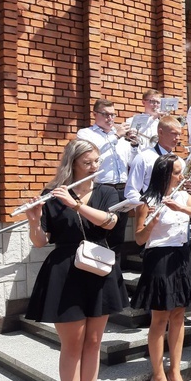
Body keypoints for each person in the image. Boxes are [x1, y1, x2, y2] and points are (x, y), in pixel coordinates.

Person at [25, 139, 128, 381]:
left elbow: (110, 222)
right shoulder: (53, 195)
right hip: (65, 271)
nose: (95, 167)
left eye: (96, 161)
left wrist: (76, 204)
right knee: (73, 344)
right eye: (88, 163)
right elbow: (41, 242)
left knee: (94, 342)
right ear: (72, 164)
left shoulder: (108, 191)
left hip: (99, 267)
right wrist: (34, 222)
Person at [130, 154, 191, 381]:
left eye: (181, 171)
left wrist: (182, 207)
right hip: (159, 259)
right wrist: (152, 222)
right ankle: (158, 374)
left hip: (181, 256)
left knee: (179, 315)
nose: (181, 176)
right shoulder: (147, 200)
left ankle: (175, 371)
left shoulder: (183, 195)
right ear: (164, 173)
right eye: (176, 172)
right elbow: (139, 239)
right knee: (159, 319)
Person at [76, 98, 139, 264]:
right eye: (106, 115)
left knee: (118, 235)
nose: (110, 119)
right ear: (95, 114)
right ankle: (96, 269)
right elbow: (91, 154)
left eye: (113, 115)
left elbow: (131, 162)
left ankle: (114, 271)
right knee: (99, 232)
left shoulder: (120, 138)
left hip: (121, 190)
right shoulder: (86, 134)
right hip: (101, 189)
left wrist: (134, 146)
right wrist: (116, 136)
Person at [124, 115, 185, 202]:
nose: (178, 138)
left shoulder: (180, 161)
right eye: (173, 133)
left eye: (179, 134)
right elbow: (131, 191)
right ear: (160, 132)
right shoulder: (143, 157)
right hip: (151, 210)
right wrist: (147, 206)